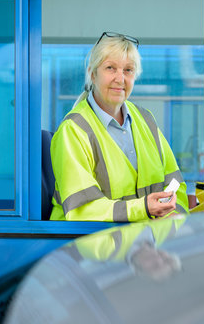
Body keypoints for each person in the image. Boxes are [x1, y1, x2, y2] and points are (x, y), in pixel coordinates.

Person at [50, 32, 188, 222]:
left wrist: (170, 225)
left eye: (128, 70)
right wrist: (144, 208)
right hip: (87, 247)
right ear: (92, 74)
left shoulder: (146, 119)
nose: (120, 78)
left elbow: (176, 185)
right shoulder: (73, 130)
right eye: (110, 68)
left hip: (144, 245)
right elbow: (82, 210)